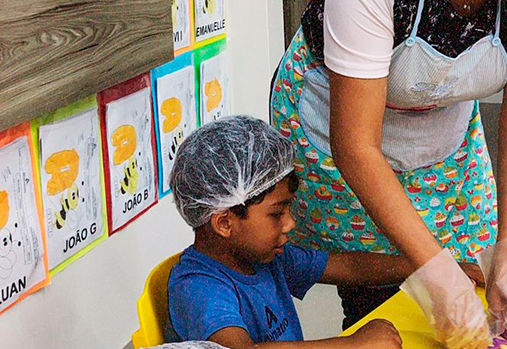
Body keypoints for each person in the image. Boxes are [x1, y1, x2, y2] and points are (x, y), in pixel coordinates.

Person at [270, 0, 507, 342]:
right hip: (341, 130)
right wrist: (435, 273)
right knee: (377, 290)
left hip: (442, 132)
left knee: (469, 272)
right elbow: (356, 144)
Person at [166, 116, 482, 348]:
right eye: (277, 214)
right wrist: (352, 346)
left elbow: (345, 266)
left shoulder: (263, 257)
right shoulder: (201, 289)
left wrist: (432, 265)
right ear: (224, 223)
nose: (290, 224)